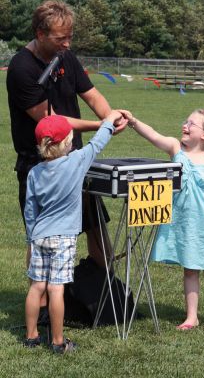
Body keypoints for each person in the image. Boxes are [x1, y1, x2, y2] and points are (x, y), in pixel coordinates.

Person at [6, 0, 127, 302]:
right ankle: (44, 308)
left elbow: (91, 93)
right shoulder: (21, 68)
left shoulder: (66, 57)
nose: (67, 43)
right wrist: (102, 125)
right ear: (40, 33)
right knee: (40, 236)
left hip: (75, 162)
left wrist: (109, 115)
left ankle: (104, 294)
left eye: (70, 36)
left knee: (95, 225)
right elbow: (52, 123)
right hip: (40, 165)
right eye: (61, 37)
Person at [121, 109, 204, 330]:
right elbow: (152, 134)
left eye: (192, 123)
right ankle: (192, 317)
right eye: (186, 121)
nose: (185, 125)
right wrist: (133, 121)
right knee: (190, 268)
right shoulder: (175, 148)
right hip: (182, 222)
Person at [24, 111, 122, 353]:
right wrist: (110, 119)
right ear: (68, 142)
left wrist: (30, 238)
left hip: (39, 235)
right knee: (56, 288)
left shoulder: (34, 172)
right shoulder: (76, 161)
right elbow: (97, 142)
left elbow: (30, 210)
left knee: (37, 286)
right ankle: (58, 341)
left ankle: (31, 336)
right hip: (63, 237)